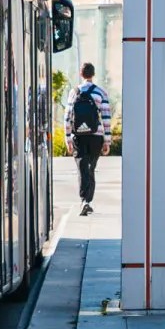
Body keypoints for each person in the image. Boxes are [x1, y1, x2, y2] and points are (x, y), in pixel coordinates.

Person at [70, 63, 109, 216]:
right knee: (91, 167)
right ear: (93, 74)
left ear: (81, 74)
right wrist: (107, 140)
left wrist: (68, 138)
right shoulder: (100, 92)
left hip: (78, 136)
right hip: (96, 136)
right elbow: (106, 116)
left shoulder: (74, 92)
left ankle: (84, 200)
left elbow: (68, 116)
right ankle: (88, 200)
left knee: (82, 167)